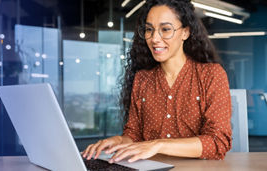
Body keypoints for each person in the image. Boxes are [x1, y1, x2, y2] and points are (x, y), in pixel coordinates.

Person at [83, 0, 232, 162]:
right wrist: (119, 141)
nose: (154, 38)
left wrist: (159, 145)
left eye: (165, 29)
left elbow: (218, 142)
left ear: (185, 32)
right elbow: (134, 135)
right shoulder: (142, 79)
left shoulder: (211, 75)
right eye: (149, 30)